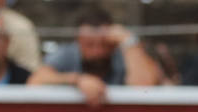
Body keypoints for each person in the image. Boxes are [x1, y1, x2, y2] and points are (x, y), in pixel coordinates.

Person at [28, 5, 162, 106]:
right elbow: (35, 81)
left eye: (104, 44)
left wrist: (129, 41)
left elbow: (144, 88)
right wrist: (77, 80)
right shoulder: (68, 54)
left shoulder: (123, 54)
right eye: (89, 44)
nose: (97, 51)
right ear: (78, 41)